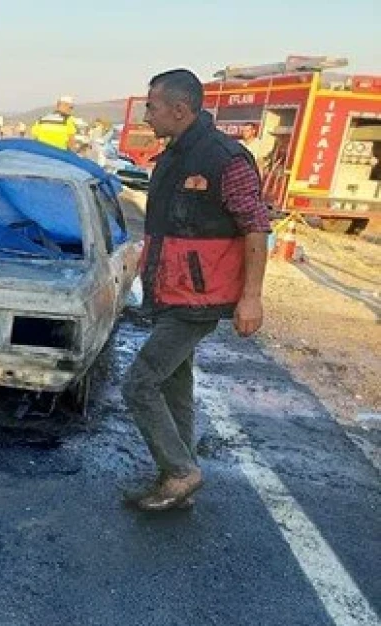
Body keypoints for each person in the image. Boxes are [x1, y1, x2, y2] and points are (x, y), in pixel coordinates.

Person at [121, 68, 269, 511]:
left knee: (140, 383)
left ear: (180, 109)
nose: (146, 116)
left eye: (151, 107)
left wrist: (252, 297)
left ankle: (181, 471)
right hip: (173, 292)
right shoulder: (174, 155)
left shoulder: (224, 158)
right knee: (173, 384)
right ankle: (177, 473)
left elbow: (256, 227)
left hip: (199, 298)